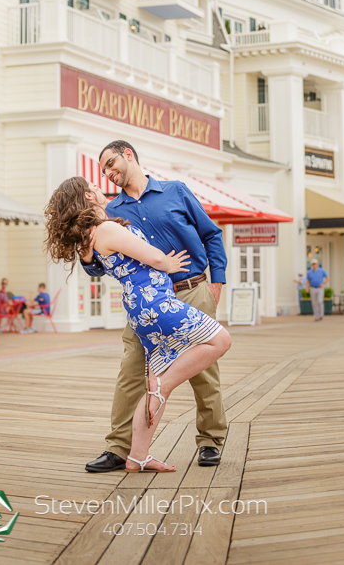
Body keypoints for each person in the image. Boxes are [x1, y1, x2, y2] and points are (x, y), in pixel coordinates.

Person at [44, 176, 232, 473]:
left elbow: (210, 233)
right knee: (137, 374)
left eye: (110, 164)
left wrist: (217, 280)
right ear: (88, 198)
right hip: (157, 301)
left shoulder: (175, 191)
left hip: (188, 289)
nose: (107, 175)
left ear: (127, 155)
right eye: (101, 175)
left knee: (203, 373)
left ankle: (181, 446)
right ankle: (119, 447)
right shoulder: (108, 215)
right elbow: (101, 264)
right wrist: (161, 262)